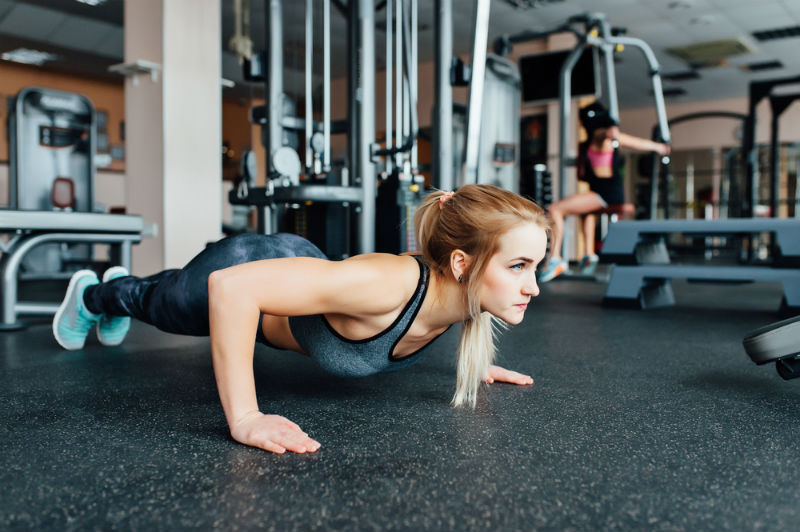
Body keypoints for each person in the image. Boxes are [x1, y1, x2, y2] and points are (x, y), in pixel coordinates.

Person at [53, 184, 551, 454]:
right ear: (463, 263)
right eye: (519, 266)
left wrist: (475, 364)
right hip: (244, 265)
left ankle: (122, 290)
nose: (533, 285)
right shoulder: (388, 283)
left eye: (536, 266)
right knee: (164, 305)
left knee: (165, 292)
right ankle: (94, 294)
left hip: (297, 267)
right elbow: (233, 287)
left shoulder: (460, 299)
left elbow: (439, 319)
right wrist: (246, 418)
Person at [537, 101, 670, 282]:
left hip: (606, 194)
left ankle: (555, 259)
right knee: (586, 213)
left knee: (555, 209)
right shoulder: (591, 141)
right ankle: (589, 255)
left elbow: (623, 138)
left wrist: (657, 147)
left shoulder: (601, 137)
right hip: (602, 191)